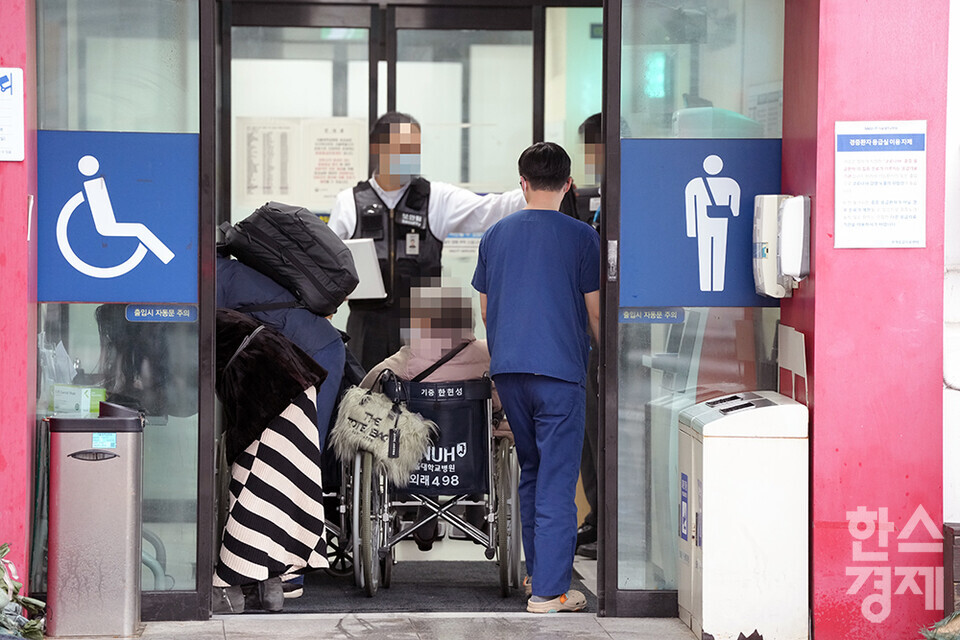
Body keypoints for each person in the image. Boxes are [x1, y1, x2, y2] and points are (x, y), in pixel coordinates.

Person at [472, 142, 600, 614]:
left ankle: (535, 574)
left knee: (532, 471)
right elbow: (594, 311)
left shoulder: (496, 235)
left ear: (521, 183)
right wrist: (606, 358)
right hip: (560, 373)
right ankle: (550, 591)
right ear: (568, 185)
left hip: (510, 372)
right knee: (557, 478)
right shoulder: (582, 236)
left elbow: (486, 310)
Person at [327, 111, 526, 371]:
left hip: (424, 330)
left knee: (422, 408)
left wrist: (540, 189)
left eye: (415, 149)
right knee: (364, 402)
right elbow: (327, 266)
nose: (411, 157)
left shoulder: (436, 198)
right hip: (367, 328)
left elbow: (492, 208)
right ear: (379, 149)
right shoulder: (349, 202)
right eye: (403, 149)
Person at [359, 280, 509, 550]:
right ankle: (476, 511)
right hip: (468, 455)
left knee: (427, 442)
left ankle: (426, 519)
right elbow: (497, 398)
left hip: (420, 459)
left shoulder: (407, 358)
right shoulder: (487, 353)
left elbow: (371, 383)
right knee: (482, 433)